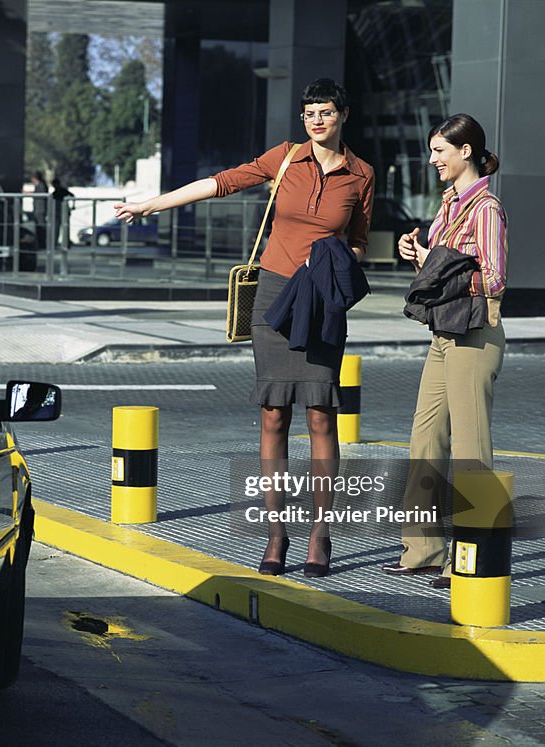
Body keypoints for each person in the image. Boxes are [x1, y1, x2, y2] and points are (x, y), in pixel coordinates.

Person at [114, 78, 374, 578]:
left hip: (321, 301)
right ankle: (276, 534)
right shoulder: (284, 158)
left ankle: (320, 535)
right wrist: (152, 204)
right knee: (274, 415)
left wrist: (337, 257)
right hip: (274, 297)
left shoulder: (362, 174)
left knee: (321, 415)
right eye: (309, 114)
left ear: (343, 115)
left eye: (325, 112)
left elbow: (360, 242)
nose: (316, 121)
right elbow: (222, 182)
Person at [382, 113, 508, 590]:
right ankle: (424, 551)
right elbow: (443, 262)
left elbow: (494, 277)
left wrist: (447, 273)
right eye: (432, 150)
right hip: (443, 333)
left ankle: (474, 557)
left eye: (440, 151)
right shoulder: (448, 204)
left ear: (465, 152)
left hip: (476, 335)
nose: (432, 158)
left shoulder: (486, 208)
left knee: (473, 452)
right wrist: (420, 255)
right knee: (425, 441)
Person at [51, 177, 74, 247]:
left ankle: (66, 243)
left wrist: (73, 206)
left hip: (63, 212)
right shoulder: (54, 193)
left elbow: (72, 196)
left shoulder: (62, 191)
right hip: (58, 213)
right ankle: (56, 243)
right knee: (57, 228)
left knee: (64, 227)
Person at [30, 171, 49, 249]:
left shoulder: (41, 186)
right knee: (39, 227)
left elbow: (39, 195)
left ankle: (42, 244)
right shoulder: (40, 185)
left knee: (41, 227)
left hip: (40, 210)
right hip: (38, 209)